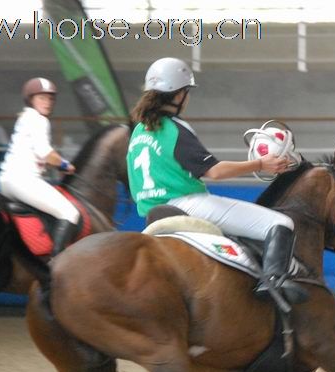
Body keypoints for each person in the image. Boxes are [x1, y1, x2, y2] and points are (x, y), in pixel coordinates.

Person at [126, 57, 307, 304]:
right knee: (281, 223)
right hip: (187, 205)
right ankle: (273, 284)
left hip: (151, 214)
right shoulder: (175, 129)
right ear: (178, 96)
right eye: (186, 92)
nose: (187, 98)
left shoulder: (138, 131)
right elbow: (215, 172)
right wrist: (261, 164)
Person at [0, 77, 79, 256]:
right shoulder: (39, 120)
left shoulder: (26, 117)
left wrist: (56, 165)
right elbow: (45, 153)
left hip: (6, 182)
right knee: (70, 213)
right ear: (31, 99)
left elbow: (39, 154)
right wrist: (65, 165)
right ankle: (55, 264)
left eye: (50, 99)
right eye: (42, 98)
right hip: (23, 180)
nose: (48, 102)